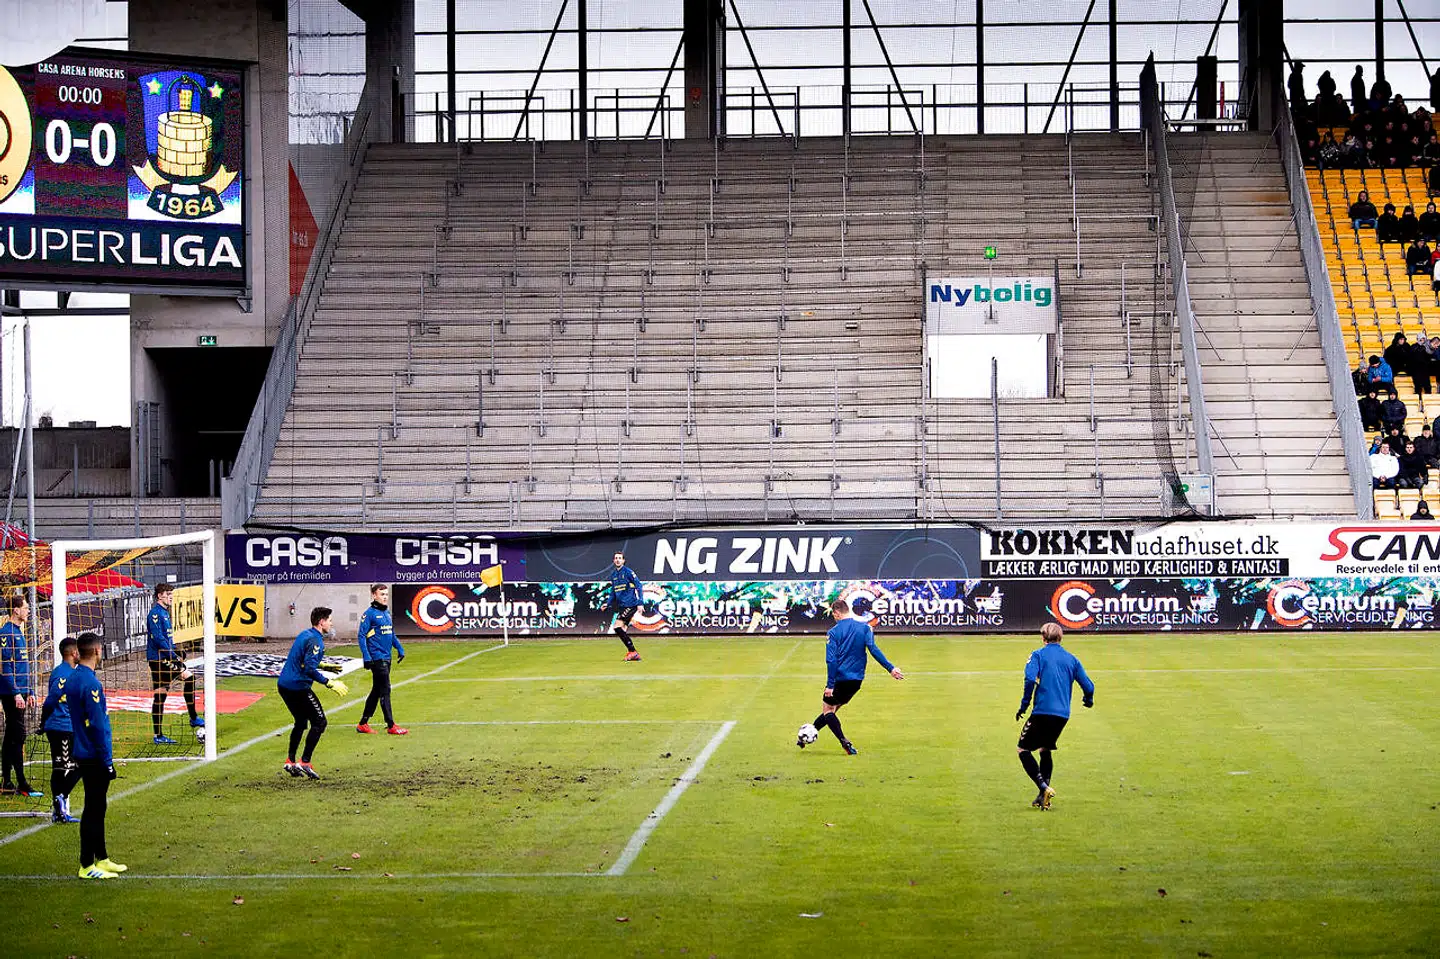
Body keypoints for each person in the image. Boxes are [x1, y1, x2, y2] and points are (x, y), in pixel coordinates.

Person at [799, 598, 903, 755]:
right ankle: (807, 734)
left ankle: (843, 741)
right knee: (832, 710)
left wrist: (830, 684)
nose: (834, 618)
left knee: (828, 710)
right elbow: (873, 650)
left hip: (840, 679)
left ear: (837, 613)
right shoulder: (865, 628)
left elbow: (831, 660)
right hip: (857, 681)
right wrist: (891, 668)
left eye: (833, 615)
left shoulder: (833, 632)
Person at [1015, 622, 1094, 811]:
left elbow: (1029, 679)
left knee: (1022, 750)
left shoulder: (1038, 655)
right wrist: (1088, 700)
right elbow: (1089, 686)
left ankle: (1044, 787)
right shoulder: (1072, 659)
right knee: (1044, 749)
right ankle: (1043, 797)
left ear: (1043, 638)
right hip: (1062, 715)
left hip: (1042, 711)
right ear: (1061, 637)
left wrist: (1024, 704)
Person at [66, 632, 125, 879]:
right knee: (93, 808)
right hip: (93, 754)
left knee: (98, 806)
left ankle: (102, 858)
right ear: (98, 651)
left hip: (83, 748)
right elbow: (97, 725)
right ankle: (86, 865)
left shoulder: (74, 677)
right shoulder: (90, 684)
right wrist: (107, 760)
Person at [277, 607, 348, 780]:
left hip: (284, 685)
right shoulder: (316, 641)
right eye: (329, 620)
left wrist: (323, 665)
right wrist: (329, 682)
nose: (331, 623)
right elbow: (308, 669)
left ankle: (290, 761)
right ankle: (305, 762)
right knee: (320, 722)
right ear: (321, 622)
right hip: (297, 687)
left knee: (301, 722)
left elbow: (301, 658)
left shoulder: (304, 634)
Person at [146, 583, 201, 745]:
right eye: (168, 593)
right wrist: (173, 656)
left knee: (160, 695)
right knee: (189, 677)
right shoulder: (155, 614)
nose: (171, 596)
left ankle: (158, 736)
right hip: (159, 659)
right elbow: (158, 639)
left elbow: (167, 639)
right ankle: (193, 718)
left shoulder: (164, 613)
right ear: (159, 596)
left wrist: (176, 651)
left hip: (162, 658)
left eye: (171, 593)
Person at [39, 636, 82, 824]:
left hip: (68, 726)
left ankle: (59, 806)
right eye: (79, 650)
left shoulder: (69, 671)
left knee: (71, 767)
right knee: (66, 767)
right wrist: (43, 722)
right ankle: (59, 805)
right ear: (73, 653)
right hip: (61, 727)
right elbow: (50, 700)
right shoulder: (63, 674)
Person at [0, 594, 39, 798]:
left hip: (22, 692)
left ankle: (7, 781)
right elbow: (4, 666)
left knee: (11, 736)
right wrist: (16, 692)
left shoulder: (19, 632)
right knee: (19, 735)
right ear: (15, 610)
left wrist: (30, 691)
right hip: (11, 693)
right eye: (25, 607)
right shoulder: (6, 633)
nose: (28, 610)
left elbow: (23, 666)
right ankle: (21, 782)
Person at [356, 584, 407, 736]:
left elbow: (390, 633)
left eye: (386, 594)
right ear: (374, 596)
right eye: (381, 594)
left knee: (376, 691)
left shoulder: (386, 613)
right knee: (385, 689)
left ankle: (363, 723)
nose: (385, 597)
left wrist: (399, 648)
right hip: (377, 658)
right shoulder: (369, 614)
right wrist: (366, 656)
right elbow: (361, 635)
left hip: (387, 656)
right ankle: (391, 725)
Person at [606, 551, 644, 662]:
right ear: (613, 561)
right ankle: (632, 652)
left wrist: (640, 602)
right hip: (622, 606)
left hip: (631, 604)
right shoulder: (613, 575)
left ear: (623, 560)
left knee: (617, 627)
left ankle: (633, 652)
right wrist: (607, 603)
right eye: (616, 558)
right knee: (622, 630)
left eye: (620, 558)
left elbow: (639, 586)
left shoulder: (628, 572)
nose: (617, 560)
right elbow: (613, 592)